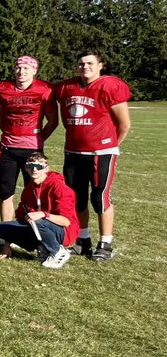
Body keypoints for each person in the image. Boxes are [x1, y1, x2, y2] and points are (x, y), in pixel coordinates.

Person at [54, 49, 131, 261]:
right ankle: (83, 240)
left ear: (100, 65)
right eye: (81, 64)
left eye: (89, 63)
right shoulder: (66, 87)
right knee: (76, 197)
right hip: (73, 152)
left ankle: (105, 242)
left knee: (99, 196)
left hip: (100, 152)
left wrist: (110, 146)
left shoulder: (110, 86)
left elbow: (124, 125)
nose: (84, 67)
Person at [0, 55, 58, 222]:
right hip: (8, 148)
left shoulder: (44, 89)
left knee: (36, 192)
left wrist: (39, 137)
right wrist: (11, 132)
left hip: (32, 149)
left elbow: (53, 121)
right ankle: (7, 235)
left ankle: (35, 233)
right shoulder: (2, 88)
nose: (21, 71)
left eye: (26, 68)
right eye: (18, 67)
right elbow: (0, 118)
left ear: (34, 71)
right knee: (6, 193)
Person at [0, 153, 79, 268]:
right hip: (38, 226)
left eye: (39, 167)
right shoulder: (29, 188)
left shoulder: (59, 187)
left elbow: (66, 222)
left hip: (63, 231)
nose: (35, 170)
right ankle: (42, 248)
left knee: (37, 221)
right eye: (31, 166)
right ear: (26, 168)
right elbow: (21, 217)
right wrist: (7, 245)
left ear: (46, 169)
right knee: (0, 228)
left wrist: (43, 214)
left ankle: (57, 251)